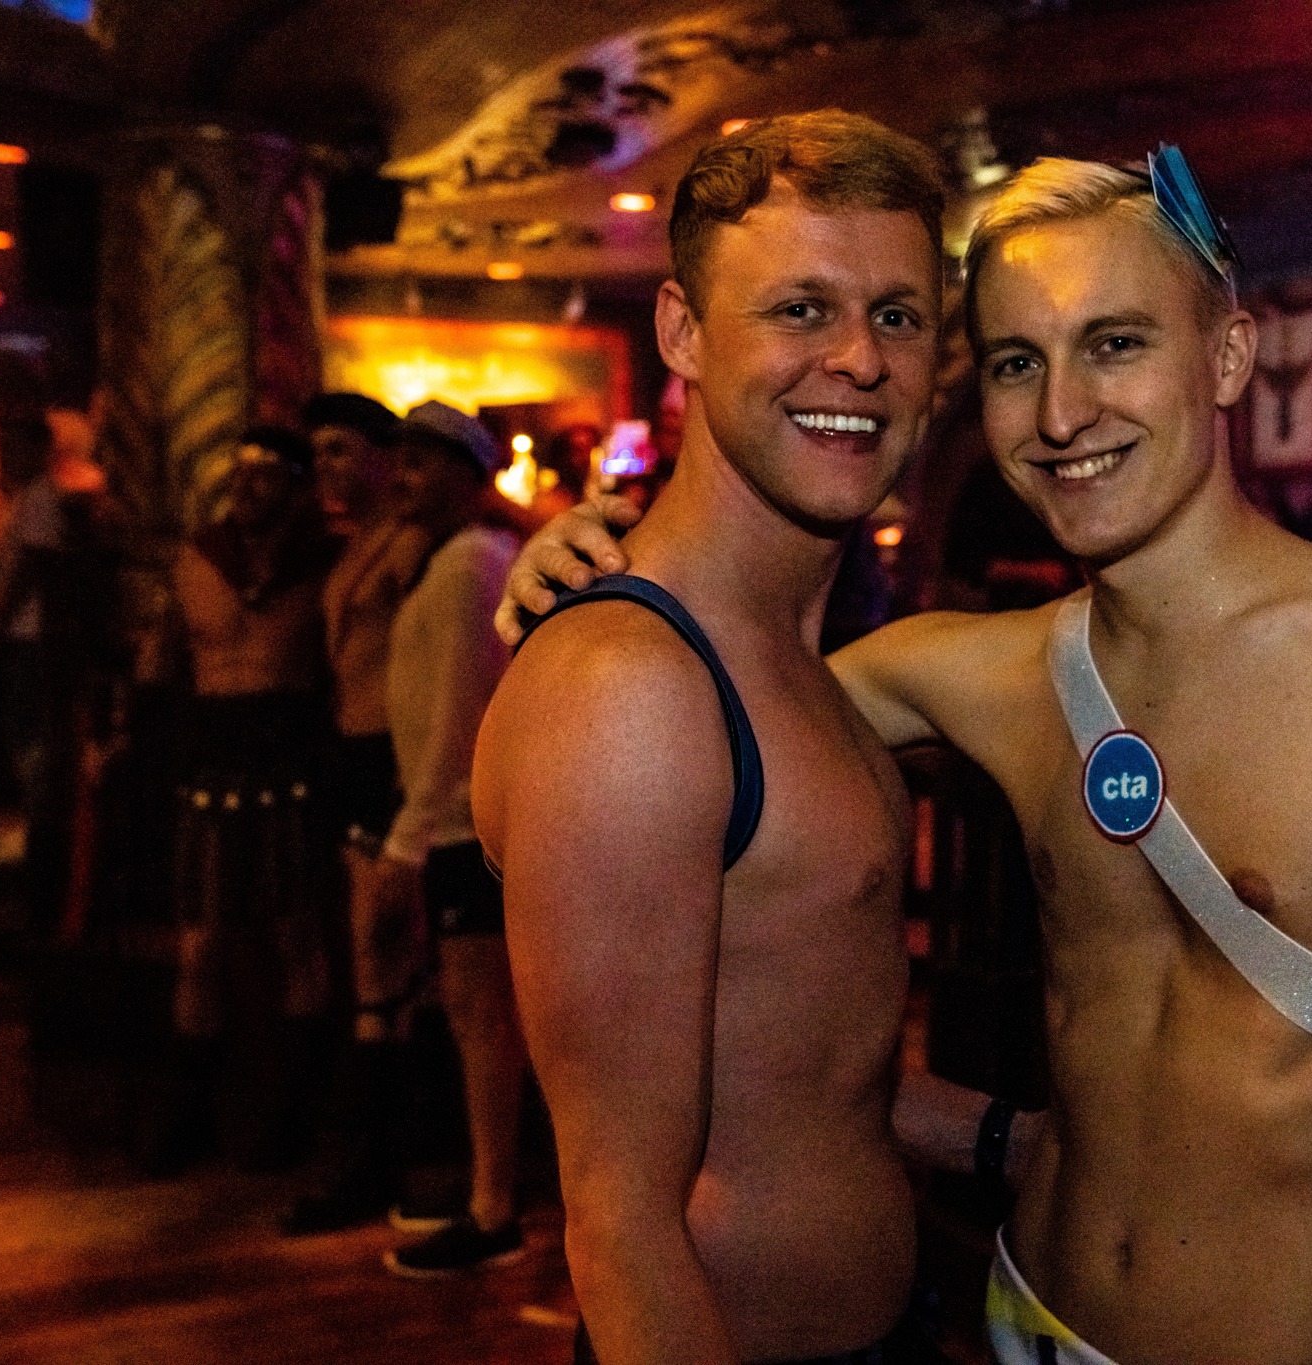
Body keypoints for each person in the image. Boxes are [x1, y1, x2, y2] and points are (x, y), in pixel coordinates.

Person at [506, 152, 1312, 1364]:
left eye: (1114, 344)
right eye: (1014, 363)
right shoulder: (975, 675)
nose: (1060, 415)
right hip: (1017, 1322)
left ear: (1227, 357)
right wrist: (592, 579)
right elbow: (673, 728)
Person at [470, 111, 948, 1364]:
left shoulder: (793, 659)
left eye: (898, 316)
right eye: (800, 310)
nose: (859, 360)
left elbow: (797, 1078)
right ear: (682, 331)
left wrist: (1016, 1140)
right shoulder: (631, 689)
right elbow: (618, 1225)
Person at [152, 426, 337, 1175]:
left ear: (294, 486)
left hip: (291, 757)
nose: (246, 486)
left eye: (265, 474)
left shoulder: (326, 564)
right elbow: (162, 662)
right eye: (240, 472)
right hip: (211, 758)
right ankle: (188, 1115)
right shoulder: (197, 559)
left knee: (298, 936)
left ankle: (297, 1115)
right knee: (199, 945)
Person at [374, 401, 530, 1278]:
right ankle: (488, 1187)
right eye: (400, 459)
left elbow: (457, 715)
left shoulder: (474, 561)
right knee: (479, 1013)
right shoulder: (460, 558)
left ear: (469, 475)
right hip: (463, 817)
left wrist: (408, 841)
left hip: (470, 821)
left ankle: (494, 1207)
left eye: (424, 461)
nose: (403, 476)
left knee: (484, 1016)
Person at [283, 392, 434, 1235]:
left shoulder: (413, 545)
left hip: (395, 760)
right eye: (320, 455)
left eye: (342, 450)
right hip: (348, 757)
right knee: (369, 956)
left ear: (383, 454)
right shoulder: (350, 547)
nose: (327, 469)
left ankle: (384, 1157)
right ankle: (378, 1149)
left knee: (388, 950)